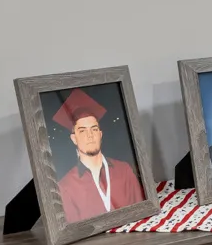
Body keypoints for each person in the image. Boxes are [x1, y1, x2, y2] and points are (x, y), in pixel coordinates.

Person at [51, 87, 143, 223]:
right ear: (74, 138)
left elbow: (142, 212)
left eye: (94, 129)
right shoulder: (66, 187)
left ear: (100, 134)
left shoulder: (124, 170)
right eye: (82, 131)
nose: (90, 136)